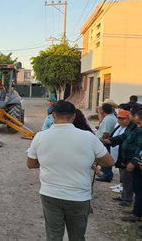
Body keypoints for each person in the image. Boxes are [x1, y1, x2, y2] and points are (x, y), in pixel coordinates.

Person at [27, 100, 114, 241]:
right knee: (77, 237)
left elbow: (31, 164)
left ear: (53, 115)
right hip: (79, 196)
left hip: (50, 194)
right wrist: (88, 160)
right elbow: (109, 161)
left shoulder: (40, 137)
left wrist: (50, 162)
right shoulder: (88, 137)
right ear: (73, 117)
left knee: (54, 236)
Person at [102, 105, 142, 221]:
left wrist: (134, 161)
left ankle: (136, 212)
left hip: (134, 162)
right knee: (133, 186)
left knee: (137, 188)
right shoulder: (134, 127)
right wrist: (109, 141)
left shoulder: (139, 130)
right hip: (129, 160)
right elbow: (123, 137)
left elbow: (139, 148)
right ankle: (136, 210)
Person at [110, 109, 135, 204]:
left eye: (122, 119)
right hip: (120, 157)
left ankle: (127, 199)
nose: (119, 120)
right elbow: (117, 138)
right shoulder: (120, 126)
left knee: (128, 179)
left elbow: (123, 139)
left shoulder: (132, 128)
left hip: (128, 158)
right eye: (118, 118)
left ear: (129, 119)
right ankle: (124, 196)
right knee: (123, 178)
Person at [95, 103, 118, 182]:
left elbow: (106, 133)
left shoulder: (108, 119)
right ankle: (106, 174)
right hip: (104, 140)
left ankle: (107, 175)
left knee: (104, 158)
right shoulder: (111, 117)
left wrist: (102, 141)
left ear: (103, 110)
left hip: (104, 141)